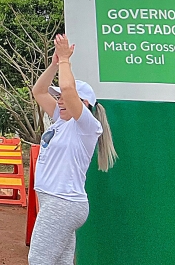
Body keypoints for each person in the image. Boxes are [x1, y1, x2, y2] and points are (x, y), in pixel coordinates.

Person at [28, 34, 117, 265]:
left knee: (38, 260)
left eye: (65, 98)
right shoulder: (61, 120)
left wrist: (66, 60)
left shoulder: (85, 125)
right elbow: (39, 91)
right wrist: (54, 64)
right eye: (58, 98)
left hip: (62, 202)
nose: (59, 100)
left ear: (84, 103)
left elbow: (68, 87)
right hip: (55, 201)